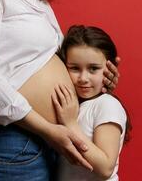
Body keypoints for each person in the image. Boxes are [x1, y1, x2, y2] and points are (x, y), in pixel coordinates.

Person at [0, 0, 120, 180]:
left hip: (50, 141)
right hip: (9, 140)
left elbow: (49, 58)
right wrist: (47, 129)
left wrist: (100, 78)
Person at [52, 25, 131, 181]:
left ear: (110, 69)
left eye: (93, 69)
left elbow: (105, 168)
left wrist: (71, 124)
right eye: (74, 68)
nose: (83, 78)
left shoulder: (107, 105)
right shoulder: (76, 105)